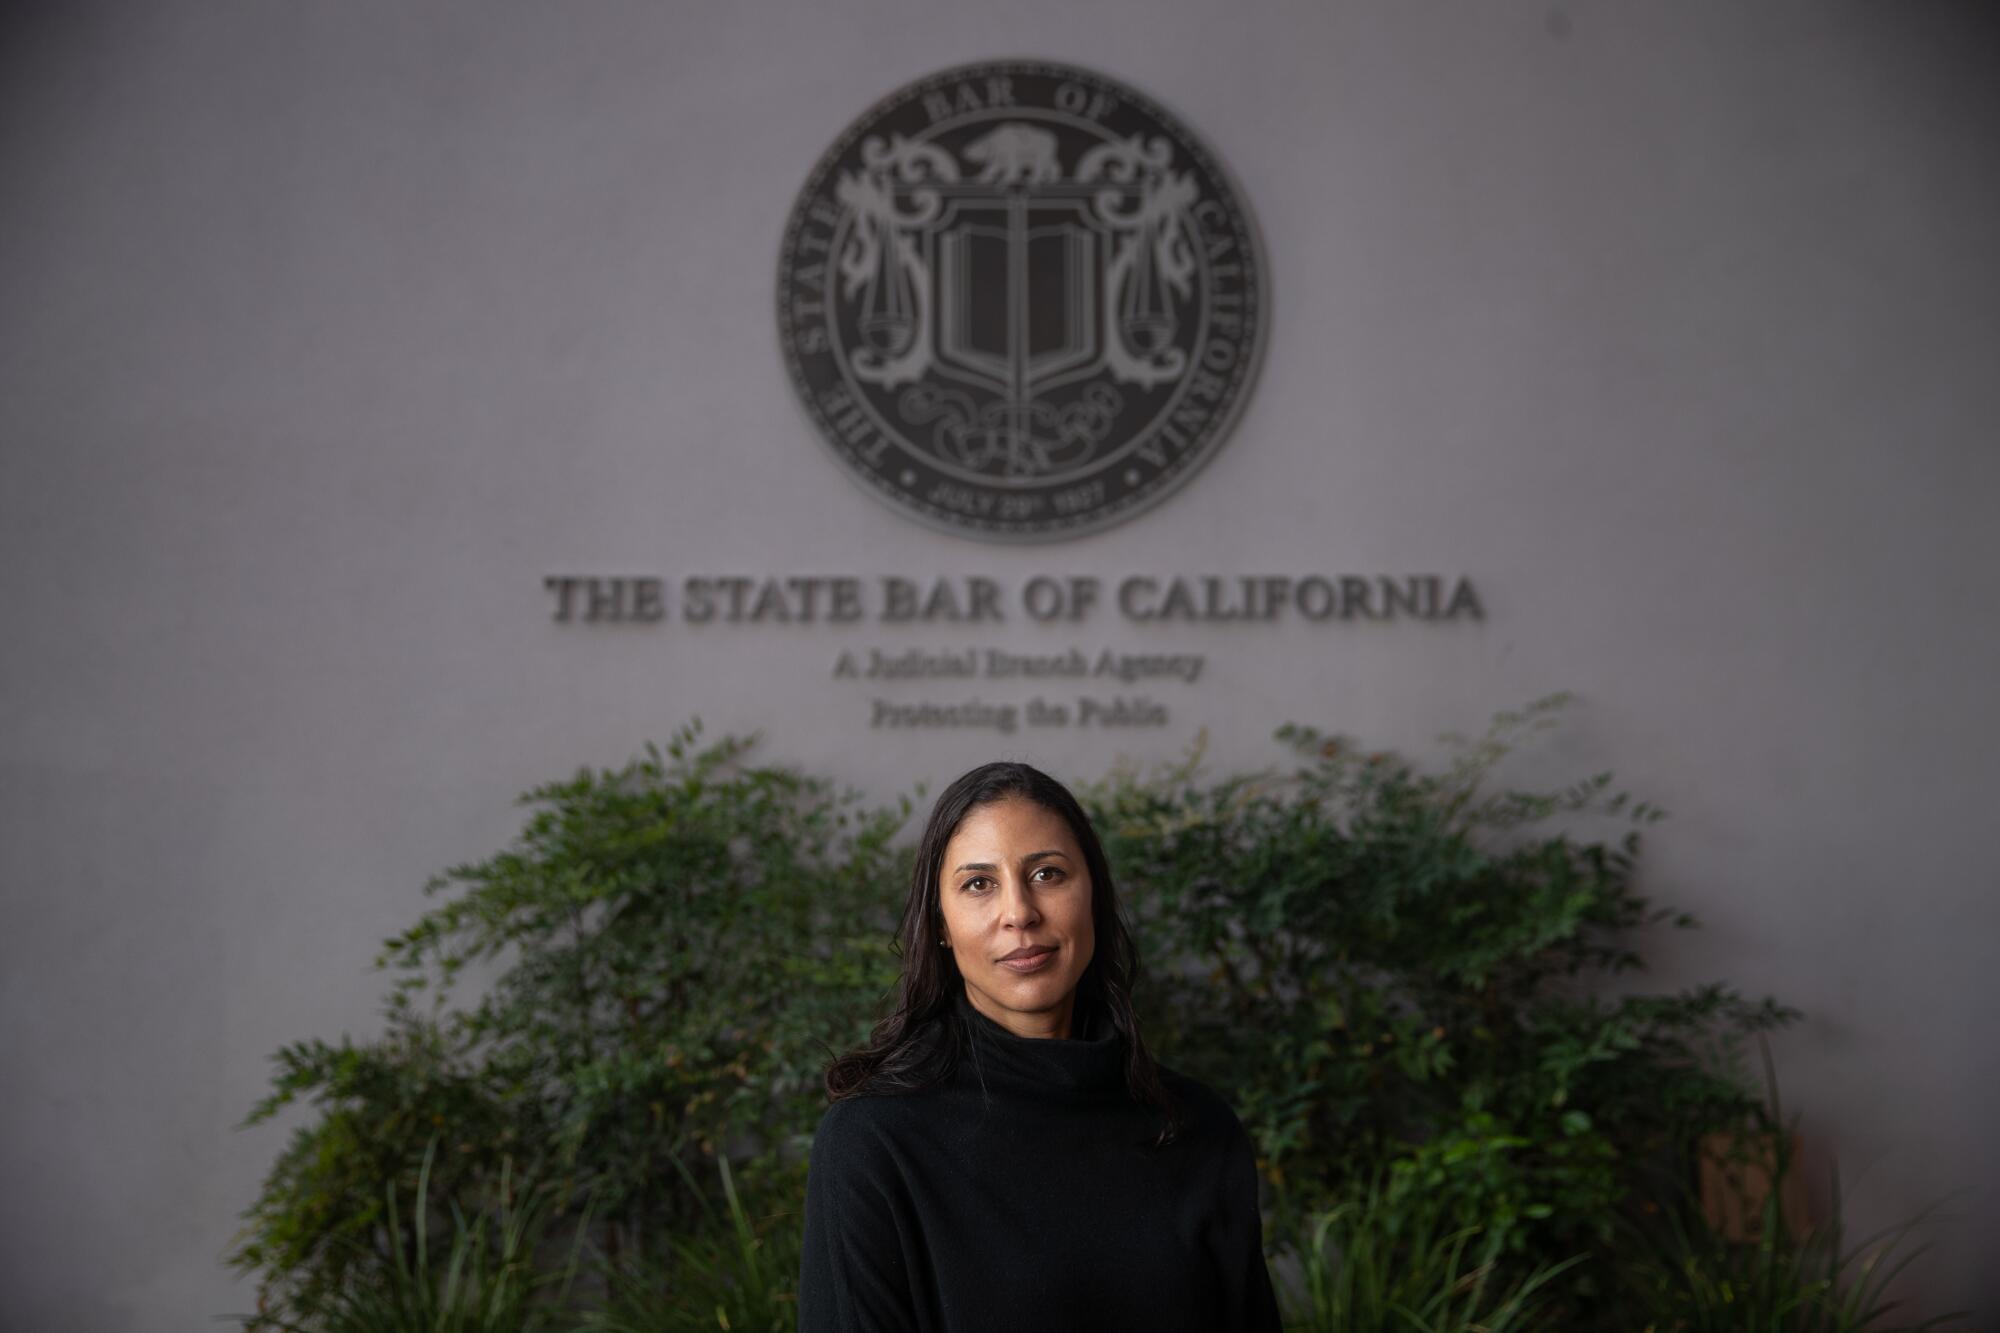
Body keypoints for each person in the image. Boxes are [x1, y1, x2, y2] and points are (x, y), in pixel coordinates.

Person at [796, 761, 1285, 1332]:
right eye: (979, 884)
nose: (1019, 913)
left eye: (1048, 874)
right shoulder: (874, 1143)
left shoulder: (1198, 1128)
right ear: (941, 926)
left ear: (1094, 895)